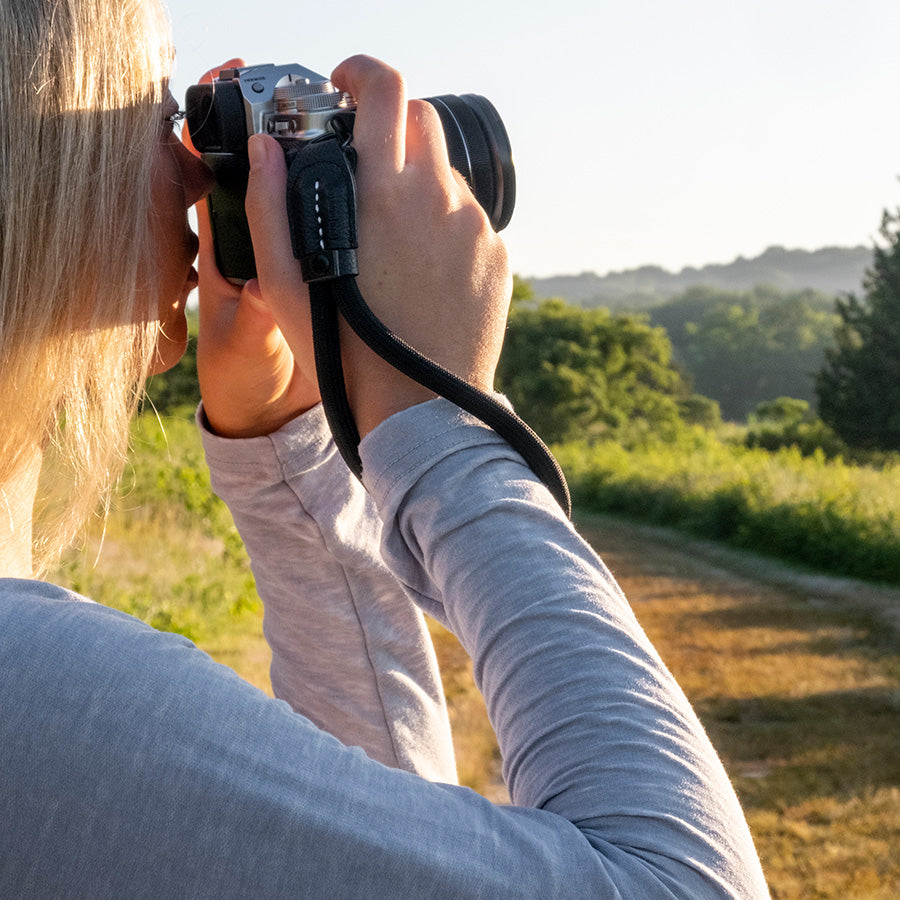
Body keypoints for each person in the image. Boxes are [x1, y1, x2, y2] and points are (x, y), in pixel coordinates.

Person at [0, 0, 770, 896]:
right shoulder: (38, 695)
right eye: (150, 111)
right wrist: (437, 417)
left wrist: (287, 451)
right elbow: (683, 883)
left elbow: (383, 840)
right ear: (36, 165)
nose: (190, 170)